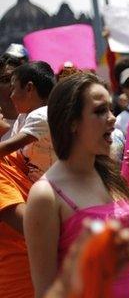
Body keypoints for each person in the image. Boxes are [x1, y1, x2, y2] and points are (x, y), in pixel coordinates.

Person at [24, 73, 129, 298]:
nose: (112, 118)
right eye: (100, 111)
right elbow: (45, 291)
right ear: (72, 122)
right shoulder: (46, 195)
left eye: (110, 109)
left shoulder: (109, 175)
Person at [0, 61, 56, 298]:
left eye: (14, 87)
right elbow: (33, 226)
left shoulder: (39, 116)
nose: (8, 99)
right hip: (23, 286)